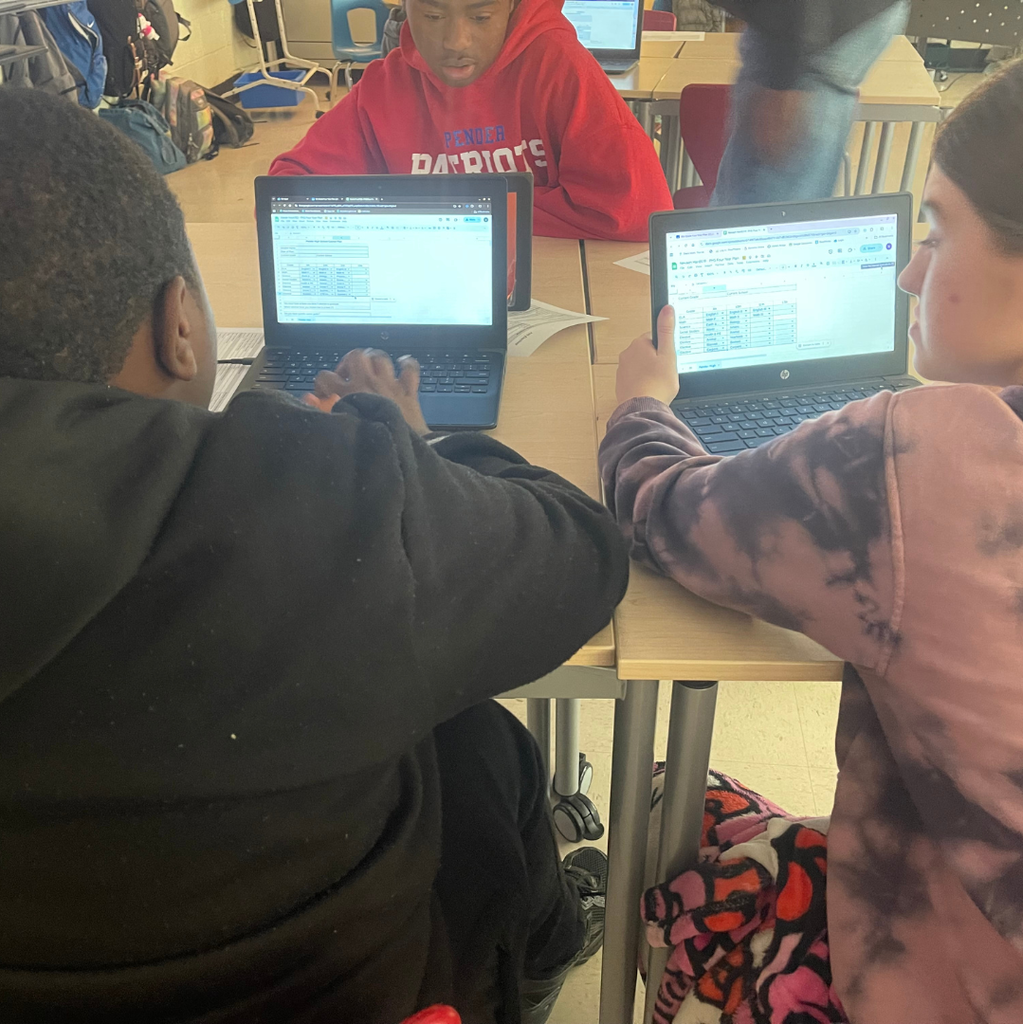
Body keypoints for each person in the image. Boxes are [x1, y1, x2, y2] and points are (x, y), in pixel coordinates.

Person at [0, 88, 630, 1024]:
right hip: (353, 989)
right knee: (477, 740)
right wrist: (408, 453)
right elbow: (584, 554)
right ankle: (536, 966)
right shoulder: (302, 496)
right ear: (180, 324)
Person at [600, 62, 1023, 1023]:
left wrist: (641, 400)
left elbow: (660, 505)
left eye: (937, 230)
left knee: (670, 810)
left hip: (930, 984)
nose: (911, 271)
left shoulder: (934, 463)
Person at [268, 0, 672, 242]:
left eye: (480, 16)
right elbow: (285, 195)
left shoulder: (557, 65)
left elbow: (636, 214)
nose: (455, 42)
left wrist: (449, 219)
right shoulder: (386, 86)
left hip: (555, 288)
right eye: (431, 14)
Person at [711, 0, 910, 206]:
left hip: (804, 31)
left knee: (762, 216)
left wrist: (785, 78)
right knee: (753, 204)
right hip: (804, 29)